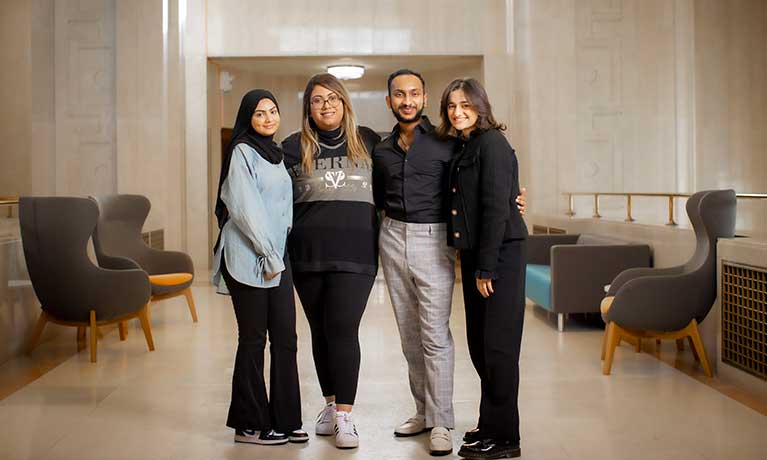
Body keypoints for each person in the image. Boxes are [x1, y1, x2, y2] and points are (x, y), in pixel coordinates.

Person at [372, 70, 527, 457]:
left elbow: (491, 190)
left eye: (414, 93)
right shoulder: (382, 149)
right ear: (389, 100)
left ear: (424, 99)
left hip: (437, 240)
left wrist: (512, 201)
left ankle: (445, 422)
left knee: (444, 337)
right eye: (398, 94)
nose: (407, 100)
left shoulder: (452, 143)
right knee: (417, 337)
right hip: (394, 236)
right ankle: (427, 413)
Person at [281, 73, 380, 449]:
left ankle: (345, 415)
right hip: (306, 255)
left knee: (341, 328)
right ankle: (328, 404)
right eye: (318, 100)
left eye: (333, 98)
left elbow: (413, 169)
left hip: (356, 255)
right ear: (308, 107)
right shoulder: (292, 147)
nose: (326, 105)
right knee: (320, 331)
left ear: (345, 103)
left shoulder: (368, 141)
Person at [211, 90, 307, 446]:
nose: (267, 119)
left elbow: (283, 209)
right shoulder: (242, 151)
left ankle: (285, 419)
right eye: (259, 114)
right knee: (253, 340)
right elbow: (244, 208)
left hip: (277, 259)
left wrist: (279, 255)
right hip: (249, 257)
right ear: (247, 119)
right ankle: (248, 424)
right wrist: (268, 254)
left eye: (273, 111)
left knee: (286, 338)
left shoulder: (278, 153)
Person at [439, 78, 527, 460]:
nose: (458, 112)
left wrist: (487, 267)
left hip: (500, 256)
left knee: (498, 349)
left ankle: (506, 438)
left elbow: (494, 206)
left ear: (480, 105)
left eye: (465, 104)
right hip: (479, 255)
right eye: (451, 106)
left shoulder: (491, 142)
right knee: (481, 347)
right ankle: (490, 423)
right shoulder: (467, 144)